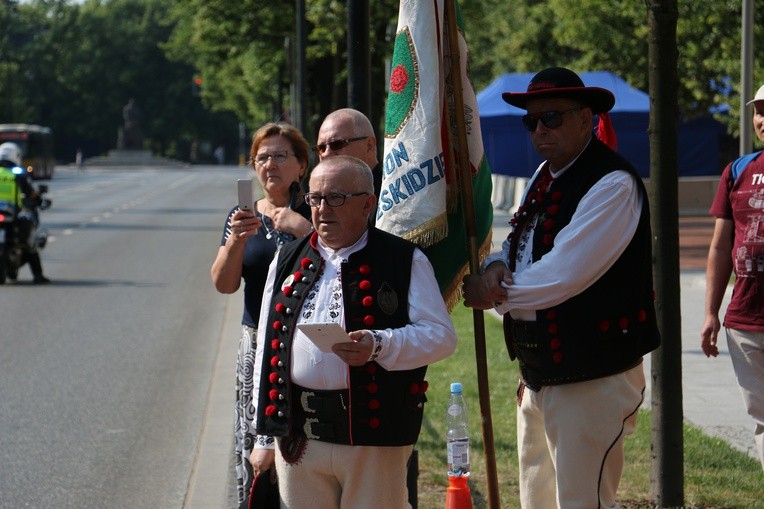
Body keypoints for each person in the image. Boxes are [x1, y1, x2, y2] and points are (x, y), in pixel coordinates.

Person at [462, 67, 660, 508]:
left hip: (592, 376)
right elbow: (518, 245)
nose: (539, 130)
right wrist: (495, 267)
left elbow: (561, 275)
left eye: (551, 117)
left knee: (580, 501)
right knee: (537, 498)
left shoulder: (612, 182)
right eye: (531, 121)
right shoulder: (544, 176)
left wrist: (491, 292)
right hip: (540, 372)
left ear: (586, 118)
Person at [249, 155, 457, 508]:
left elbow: (441, 337)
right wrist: (265, 437)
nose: (322, 208)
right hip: (300, 439)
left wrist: (380, 344)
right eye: (315, 198)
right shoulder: (287, 257)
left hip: (374, 438)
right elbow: (268, 347)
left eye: (336, 198)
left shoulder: (403, 259)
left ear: (367, 204)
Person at [210, 122, 314, 508]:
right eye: (262, 157)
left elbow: (338, 261)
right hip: (256, 346)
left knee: (299, 444)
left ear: (301, 165)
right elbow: (223, 284)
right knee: (254, 446)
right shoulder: (243, 217)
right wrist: (236, 240)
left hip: (302, 341)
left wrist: (303, 228)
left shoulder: (315, 209)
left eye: (280, 156)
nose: (270, 164)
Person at [701, 83, 764, 471]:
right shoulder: (738, 170)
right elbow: (720, 248)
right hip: (744, 322)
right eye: (759, 111)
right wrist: (711, 312)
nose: (762, 120)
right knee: (762, 419)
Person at [0, 142, 50, 284]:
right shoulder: (17, 173)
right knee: (29, 242)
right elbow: (30, 193)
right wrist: (39, 199)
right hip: (11, 213)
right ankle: (38, 275)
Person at [315, 108, 381, 201]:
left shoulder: (396, 199)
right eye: (321, 148)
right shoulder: (318, 202)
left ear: (369, 146)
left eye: (337, 144)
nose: (326, 154)